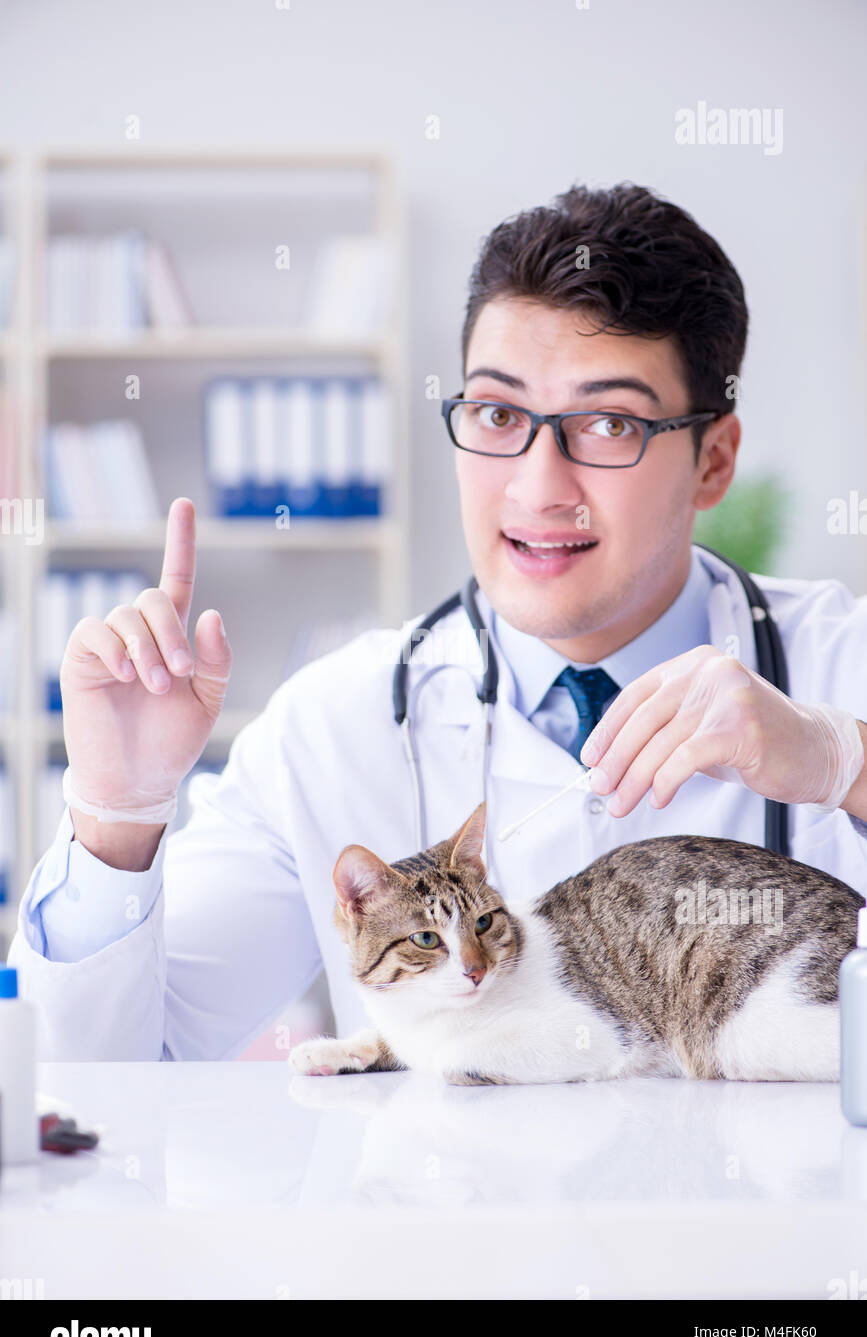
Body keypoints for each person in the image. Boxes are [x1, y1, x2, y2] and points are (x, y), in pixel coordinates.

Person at [7, 182, 867, 1060]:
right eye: (498, 414)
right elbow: (105, 1083)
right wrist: (117, 818)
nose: (538, 485)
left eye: (608, 424)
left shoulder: (843, 667)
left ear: (712, 460)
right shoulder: (332, 723)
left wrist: (847, 766)